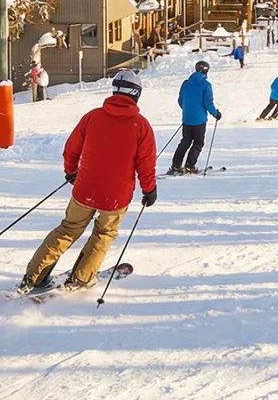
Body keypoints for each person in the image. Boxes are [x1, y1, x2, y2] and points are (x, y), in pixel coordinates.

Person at [20, 70, 156, 292]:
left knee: (67, 229)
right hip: (116, 196)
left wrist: (70, 172)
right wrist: (149, 190)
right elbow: (146, 164)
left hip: (85, 189)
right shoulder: (140, 125)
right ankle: (82, 278)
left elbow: (71, 149)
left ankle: (34, 276)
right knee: (103, 234)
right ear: (136, 94)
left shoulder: (92, 117)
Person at [171, 61, 221, 174]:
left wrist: (188, 110)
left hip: (187, 118)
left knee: (185, 141)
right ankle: (190, 166)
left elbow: (180, 100)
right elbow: (208, 103)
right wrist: (216, 114)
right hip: (199, 120)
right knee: (198, 143)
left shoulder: (186, 83)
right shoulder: (206, 85)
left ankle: (176, 165)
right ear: (206, 71)